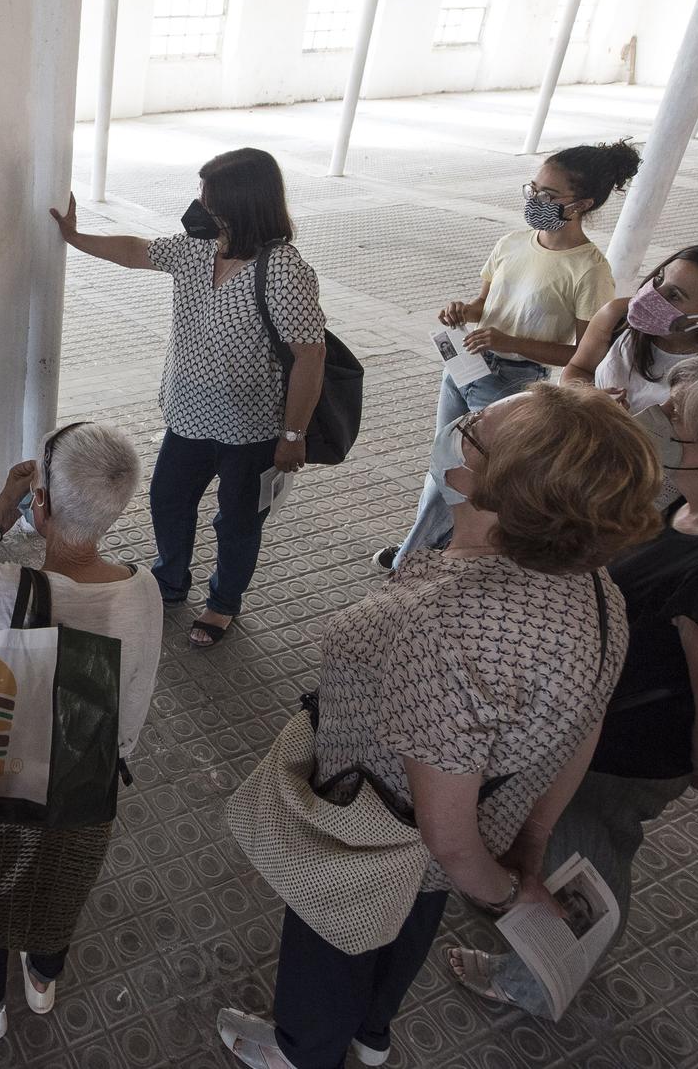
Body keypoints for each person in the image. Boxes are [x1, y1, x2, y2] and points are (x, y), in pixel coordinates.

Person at [218, 383, 662, 1069]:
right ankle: (371, 1034)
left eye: (479, 426)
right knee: (413, 915)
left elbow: (446, 837)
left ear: (491, 485)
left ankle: (301, 1050)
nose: (463, 421)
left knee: (332, 940)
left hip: (372, 825)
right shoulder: (595, 585)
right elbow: (586, 722)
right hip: (482, 823)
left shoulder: (448, 628)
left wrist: (507, 892)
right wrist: (531, 837)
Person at [443, 352, 698, 1017]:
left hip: (618, 758)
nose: (656, 411)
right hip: (590, 723)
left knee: (582, 859)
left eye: (678, 414)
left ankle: (536, 977)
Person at [0, 421, 161, 1039]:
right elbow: (134, 701)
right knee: (63, 878)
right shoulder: (143, 590)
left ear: (39, 505)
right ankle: (43, 979)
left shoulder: (6, 590)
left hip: (1, 776)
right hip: (88, 778)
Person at [51, 147, 326, 648]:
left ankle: (223, 602)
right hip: (187, 415)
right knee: (168, 499)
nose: (199, 205)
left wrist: (293, 435)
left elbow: (310, 357)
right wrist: (74, 237)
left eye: (210, 197)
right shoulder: (198, 249)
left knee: (238, 521)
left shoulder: (284, 270)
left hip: (253, 428)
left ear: (242, 204)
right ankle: (170, 582)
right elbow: (137, 251)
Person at [377, 140, 639, 571]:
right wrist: (464, 310)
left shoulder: (589, 269)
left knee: (469, 476)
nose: (536, 201)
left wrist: (509, 343)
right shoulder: (512, 243)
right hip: (465, 367)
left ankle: (413, 558)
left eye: (550, 196)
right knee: (442, 464)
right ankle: (427, 546)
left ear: (583, 204)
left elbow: (580, 353)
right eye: (533, 189)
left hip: (513, 384)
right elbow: (486, 304)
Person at [562, 243, 698, 411]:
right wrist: (590, 397)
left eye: (674, 295)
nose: (652, 293)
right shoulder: (617, 315)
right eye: (660, 277)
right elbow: (577, 369)